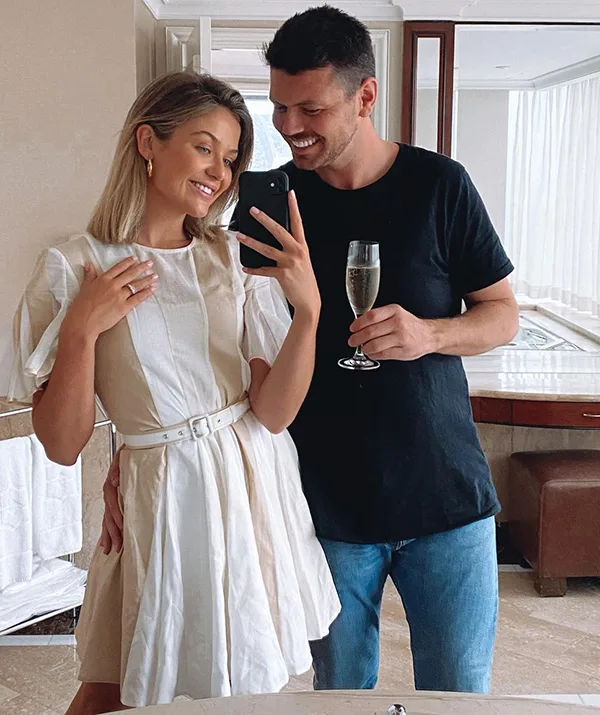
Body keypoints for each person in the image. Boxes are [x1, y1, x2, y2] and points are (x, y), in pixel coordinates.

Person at [102, 5, 520, 695]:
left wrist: (430, 334)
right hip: (321, 506)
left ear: (366, 95)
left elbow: (502, 315)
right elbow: (197, 347)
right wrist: (128, 451)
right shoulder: (265, 205)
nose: (289, 125)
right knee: (339, 698)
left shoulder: (440, 185)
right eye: (280, 106)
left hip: (446, 501)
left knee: (458, 696)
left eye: (311, 109)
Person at [5, 71, 340, 714]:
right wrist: (80, 331)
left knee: (239, 681)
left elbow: (273, 412)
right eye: (203, 147)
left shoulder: (232, 257)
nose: (219, 171)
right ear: (148, 143)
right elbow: (62, 445)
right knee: (118, 683)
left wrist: (309, 312)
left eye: (231, 157)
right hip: (161, 489)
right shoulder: (75, 265)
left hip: (250, 479)